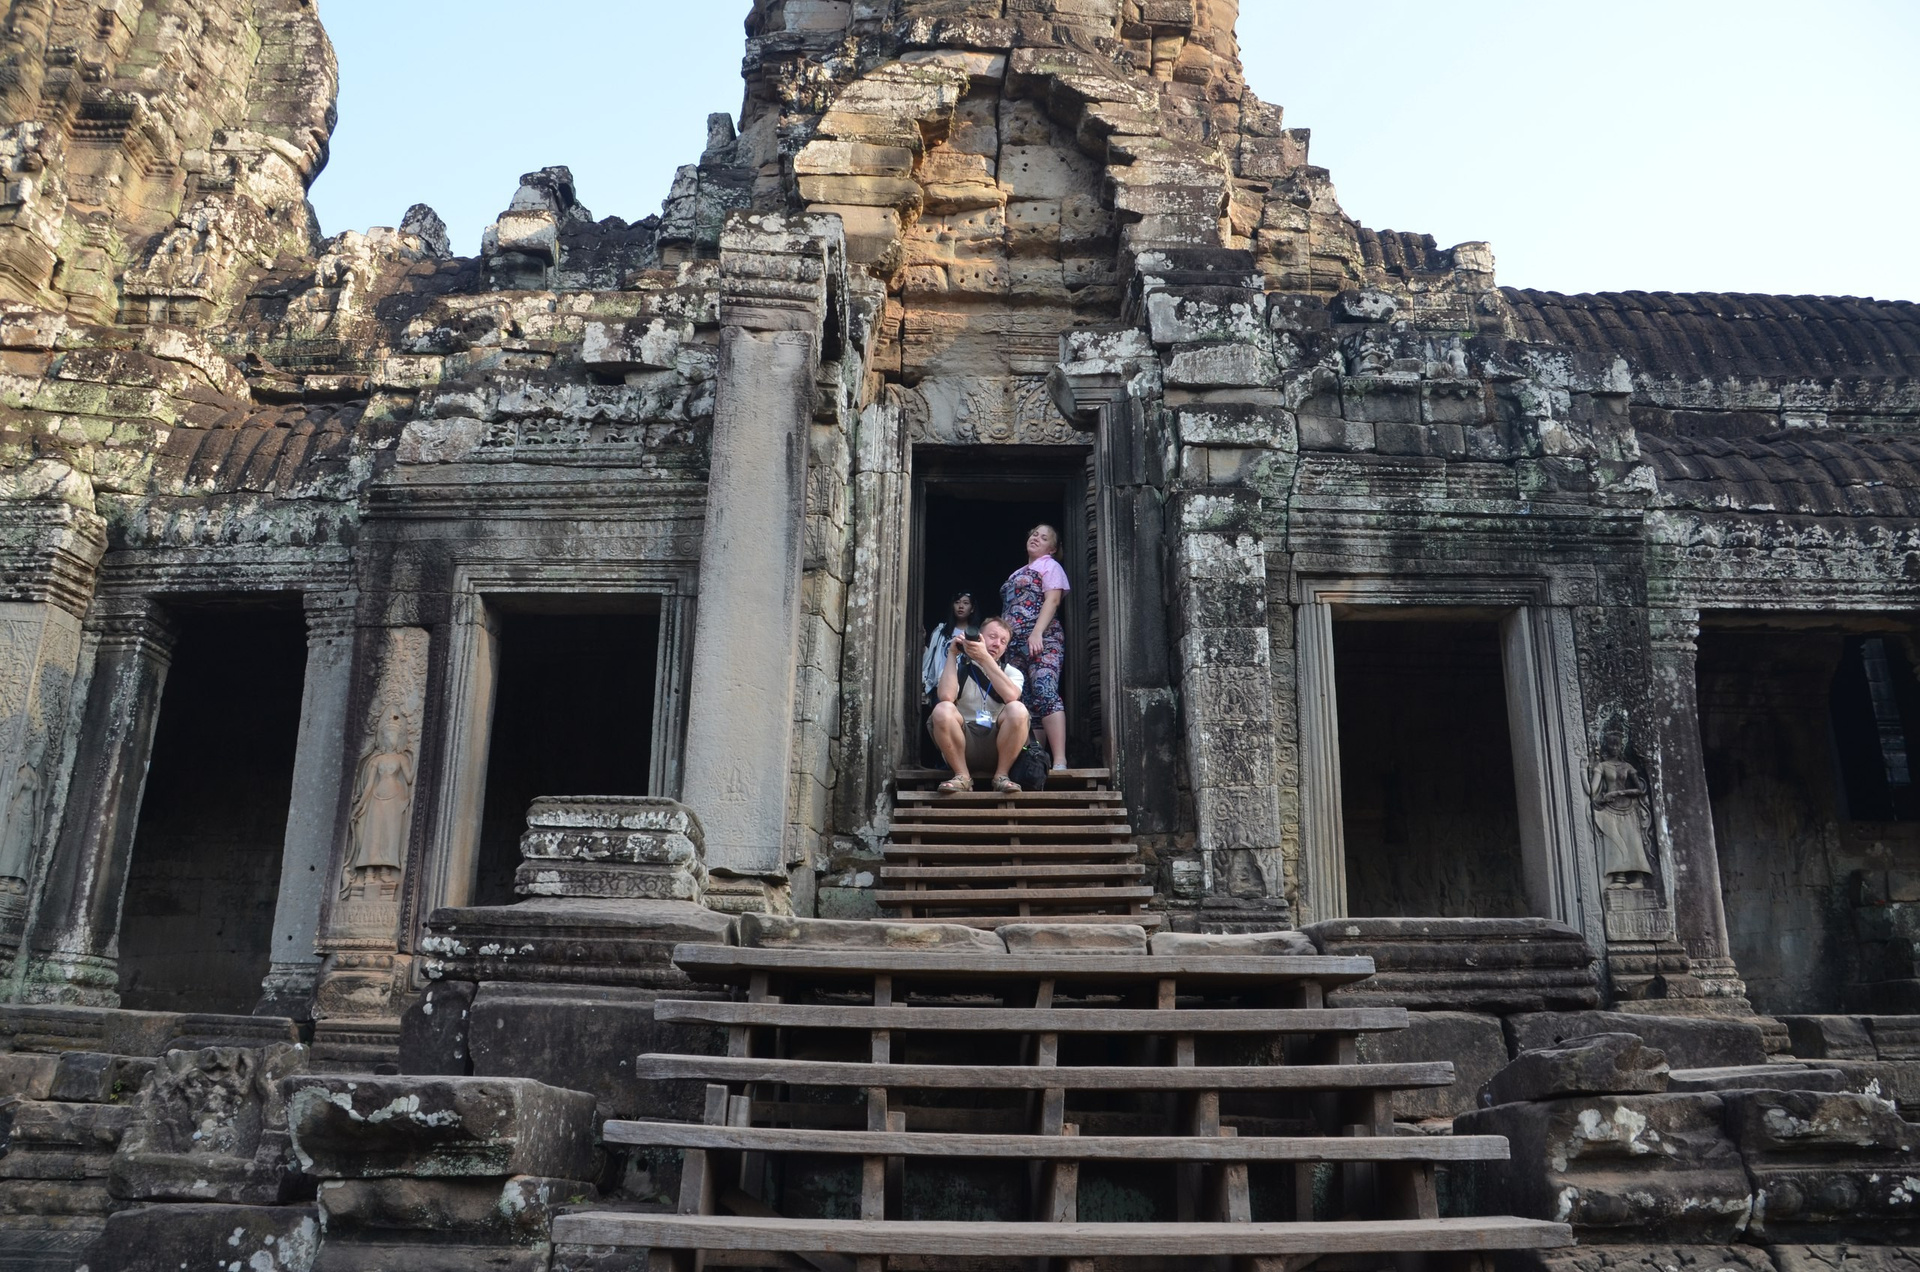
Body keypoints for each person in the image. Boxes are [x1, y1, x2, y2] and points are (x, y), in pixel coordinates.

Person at [928, 616, 1030, 794]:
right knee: (943, 709)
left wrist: (984, 658)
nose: (997, 644)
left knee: (1018, 709)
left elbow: (1011, 696)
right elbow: (946, 696)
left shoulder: (1012, 672)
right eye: (992, 637)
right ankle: (962, 776)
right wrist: (952, 654)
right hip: (963, 744)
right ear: (979, 637)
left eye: (1003, 641)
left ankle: (1002, 776)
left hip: (1000, 746)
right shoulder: (958, 669)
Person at [1001, 523, 1070, 770]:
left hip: (1043, 639)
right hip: (1015, 645)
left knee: (1045, 691)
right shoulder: (1018, 572)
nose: (1036, 538)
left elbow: (1053, 600)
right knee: (1026, 701)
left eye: (1043, 537)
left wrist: (1037, 633)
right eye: (1034, 534)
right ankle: (1035, 761)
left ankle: (1059, 759)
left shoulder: (1050, 566)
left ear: (1052, 549)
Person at [921, 591, 976, 700]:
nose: (961, 606)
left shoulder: (976, 635)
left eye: (966, 603)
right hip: (940, 684)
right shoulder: (940, 631)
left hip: (967, 688)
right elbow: (930, 657)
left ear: (972, 609)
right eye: (957, 602)